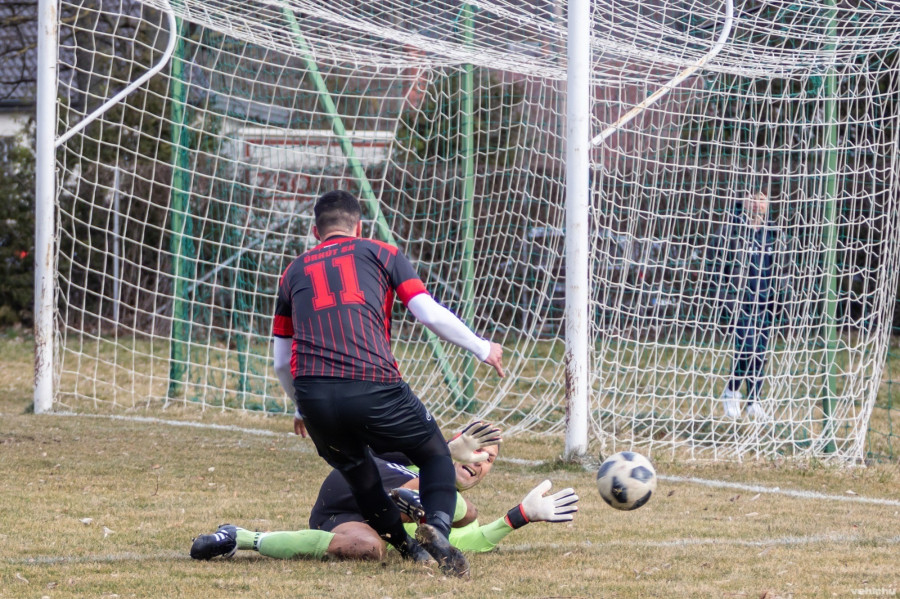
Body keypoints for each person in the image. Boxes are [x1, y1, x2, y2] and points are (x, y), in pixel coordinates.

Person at [269, 190, 505, 577]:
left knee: (362, 478)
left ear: (315, 231)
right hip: (372, 381)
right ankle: (438, 530)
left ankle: (409, 549)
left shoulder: (292, 272)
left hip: (314, 397)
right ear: (359, 226)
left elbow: (281, 361)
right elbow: (427, 313)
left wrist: (299, 406)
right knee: (435, 455)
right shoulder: (382, 252)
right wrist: (482, 347)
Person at [190, 424, 578, 563]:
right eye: (477, 449)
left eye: (489, 459)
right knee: (464, 508)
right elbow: (373, 442)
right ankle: (412, 502)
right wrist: (442, 453)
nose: (480, 461)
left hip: (347, 522)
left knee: (369, 549)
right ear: (459, 441)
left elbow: (470, 543)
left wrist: (520, 516)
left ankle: (238, 537)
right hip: (353, 486)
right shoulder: (418, 449)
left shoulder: (452, 509)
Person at [719, 191, 780, 421]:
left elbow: (782, 267)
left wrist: (781, 295)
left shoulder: (774, 233)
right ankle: (732, 391)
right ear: (743, 201)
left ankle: (754, 401)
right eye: (752, 198)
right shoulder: (732, 231)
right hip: (741, 301)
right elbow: (718, 267)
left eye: (762, 198)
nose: (757, 203)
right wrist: (725, 296)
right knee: (748, 348)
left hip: (766, 302)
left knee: (761, 352)